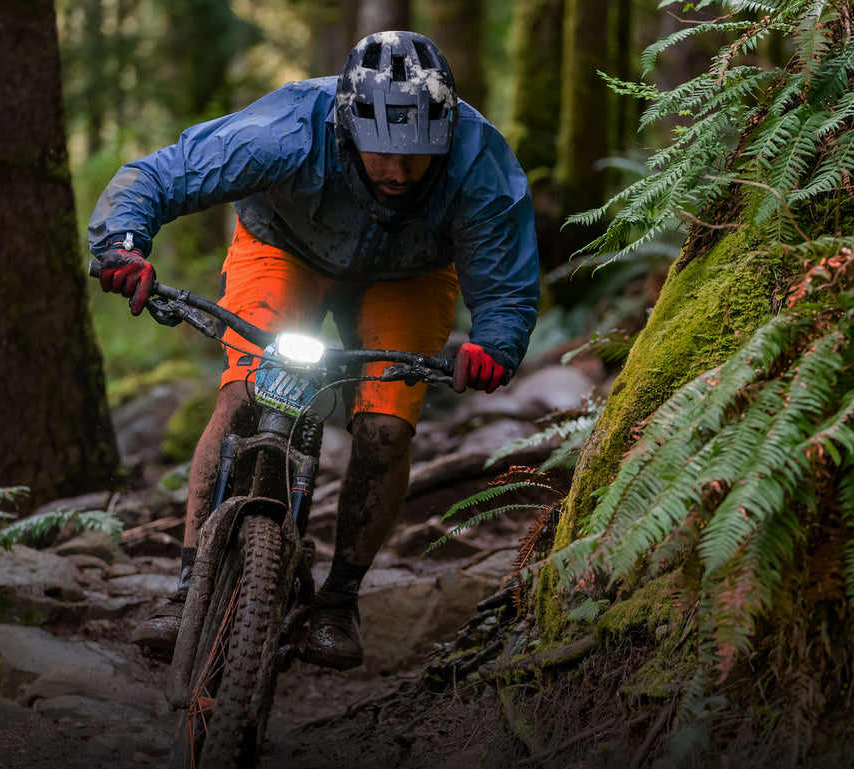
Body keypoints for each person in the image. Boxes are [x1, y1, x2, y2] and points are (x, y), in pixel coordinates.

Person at [89, 31, 539, 669]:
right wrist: (123, 246)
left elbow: (505, 281)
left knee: (386, 427)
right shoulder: (286, 129)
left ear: (445, 132)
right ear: (347, 126)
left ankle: (337, 602)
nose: (398, 171)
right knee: (247, 389)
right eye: (380, 150)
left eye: (416, 154)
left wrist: (495, 344)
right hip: (282, 249)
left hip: (408, 276)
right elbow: (162, 174)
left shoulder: (478, 159)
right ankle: (190, 587)